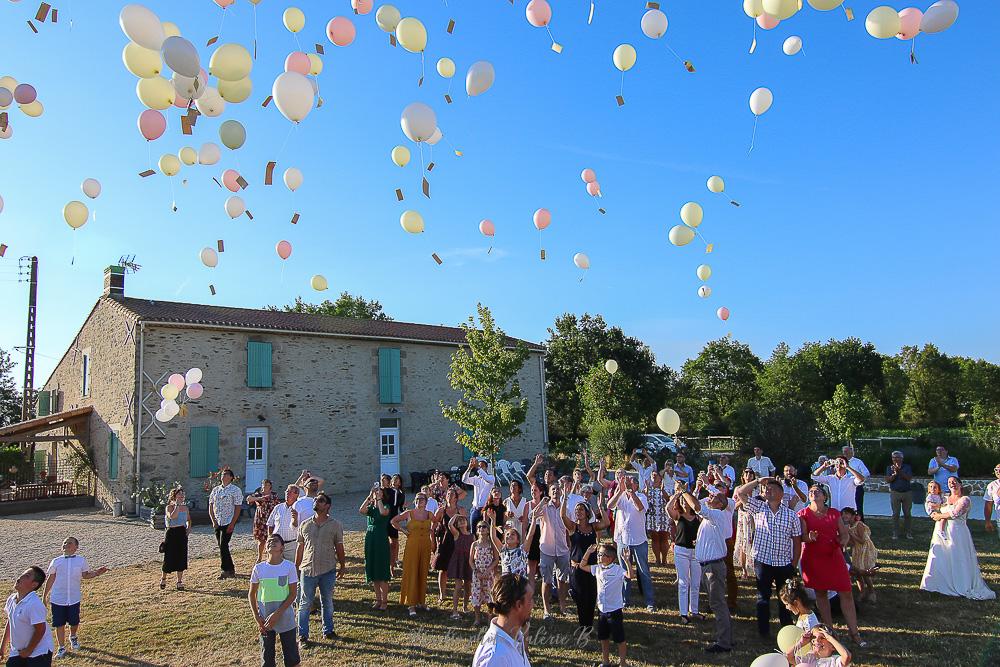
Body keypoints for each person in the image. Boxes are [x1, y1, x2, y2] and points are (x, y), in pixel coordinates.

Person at [734, 475, 801, 638]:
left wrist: (794, 563)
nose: (767, 491)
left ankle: (786, 630)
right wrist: (758, 481)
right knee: (762, 597)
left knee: (785, 598)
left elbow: (797, 540)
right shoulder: (758, 507)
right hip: (763, 561)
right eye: (766, 489)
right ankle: (763, 631)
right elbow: (740, 493)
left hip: (784, 563)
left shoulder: (791, 515)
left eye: (771, 488)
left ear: (781, 493)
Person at [797, 485, 863, 645]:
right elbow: (802, 536)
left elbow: (844, 534)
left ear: (825, 497)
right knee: (821, 594)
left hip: (834, 556)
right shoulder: (803, 514)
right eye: (811, 491)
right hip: (813, 558)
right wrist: (809, 537)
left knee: (846, 591)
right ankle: (830, 633)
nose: (813, 493)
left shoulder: (834, 513)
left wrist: (843, 541)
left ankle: (854, 632)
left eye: (817, 491)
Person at [920, 476, 996, 600]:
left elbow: (955, 513)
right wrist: (933, 514)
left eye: (954, 482)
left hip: (957, 533)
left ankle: (961, 583)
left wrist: (940, 516)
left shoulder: (965, 499)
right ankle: (937, 583)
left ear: (960, 485)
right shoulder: (944, 498)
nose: (952, 484)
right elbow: (931, 505)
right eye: (949, 482)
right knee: (941, 556)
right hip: (940, 532)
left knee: (958, 557)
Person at [686, 483, 735, 654]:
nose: (710, 497)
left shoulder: (716, 515)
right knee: (718, 603)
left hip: (713, 568)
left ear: (721, 504)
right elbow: (697, 504)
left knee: (718, 604)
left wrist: (684, 491)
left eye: (714, 497)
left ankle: (724, 642)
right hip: (709, 566)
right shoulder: (711, 517)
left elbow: (696, 506)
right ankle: (727, 637)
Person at [42, 537, 107, 658]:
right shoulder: (56, 561)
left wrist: (97, 573)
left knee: (74, 621)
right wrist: (44, 596)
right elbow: (50, 579)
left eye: (69, 543)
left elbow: (86, 575)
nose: (66, 544)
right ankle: (61, 647)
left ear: (76, 547)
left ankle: (73, 637)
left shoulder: (81, 560)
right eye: (64, 542)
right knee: (59, 623)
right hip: (58, 598)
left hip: (74, 597)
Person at [295, 492, 346, 645]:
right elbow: (300, 547)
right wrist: (296, 567)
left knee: (327, 601)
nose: (316, 502)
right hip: (307, 569)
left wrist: (342, 565)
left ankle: (328, 630)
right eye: (316, 500)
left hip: (328, 569)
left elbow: (339, 546)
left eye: (321, 501)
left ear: (328, 506)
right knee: (304, 603)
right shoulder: (305, 524)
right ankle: (302, 635)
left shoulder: (335, 525)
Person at [577, 542, 632, 667]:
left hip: (615, 611)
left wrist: (627, 561)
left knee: (619, 638)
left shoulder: (617, 569)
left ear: (610, 558)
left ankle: (622, 662)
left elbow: (629, 575)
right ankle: (605, 661)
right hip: (602, 610)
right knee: (603, 637)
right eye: (599, 554)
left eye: (602, 555)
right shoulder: (597, 568)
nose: (599, 556)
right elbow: (582, 566)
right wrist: (588, 552)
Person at [249, 535, 300, 667]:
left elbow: (293, 594)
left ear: (282, 547)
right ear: (265, 547)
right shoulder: (259, 568)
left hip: (286, 618)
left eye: (276, 541)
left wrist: (278, 613)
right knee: (267, 658)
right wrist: (256, 616)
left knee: (292, 658)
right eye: (269, 541)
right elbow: (251, 594)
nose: (271, 542)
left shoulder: (289, 567)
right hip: (265, 620)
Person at [608, 471, 654, 612]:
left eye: (630, 482)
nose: (628, 484)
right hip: (624, 540)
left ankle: (650, 602)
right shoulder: (621, 497)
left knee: (643, 571)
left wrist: (630, 492)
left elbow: (640, 507)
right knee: (624, 571)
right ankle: (624, 600)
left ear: (636, 485)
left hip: (639, 540)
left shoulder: (641, 496)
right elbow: (610, 505)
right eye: (627, 482)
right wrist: (620, 491)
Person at [565, 498, 609, 631]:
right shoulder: (573, 527)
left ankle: (588, 626)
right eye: (577, 510)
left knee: (591, 597)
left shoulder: (593, 526)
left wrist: (601, 507)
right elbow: (562, 516)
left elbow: (606, 522)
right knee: (580, 598)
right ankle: (583, 626)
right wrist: (565, 498)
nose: (578, 511)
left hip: (591, 568)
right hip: (577, 567)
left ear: (587, 513)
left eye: (581, 509)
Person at [472, 574, 533, 667]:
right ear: (519, 605)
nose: (534, 604)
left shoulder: (515, 636)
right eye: (531, 599)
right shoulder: (495, 657)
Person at [392, 492, 436, 617]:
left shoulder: (429, 514)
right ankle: (411, 603)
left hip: (425, 544)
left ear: (426, 502)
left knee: (423, 571)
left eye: (421, 499)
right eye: (417, 499)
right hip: (412, 545)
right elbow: (393, 521)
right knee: (412, 572)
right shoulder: (409, 513)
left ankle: (421, 601)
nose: (419, 501)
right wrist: (404, 530)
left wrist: (432, 531)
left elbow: (436, 522)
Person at [1, 567, 54, 667]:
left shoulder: (34, 604)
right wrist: (2, 647)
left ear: (34, 584)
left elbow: (40, 630)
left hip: (39, 651)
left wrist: (29, 650)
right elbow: (10, 622)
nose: (20, 577)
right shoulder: (11, 599)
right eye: (23, 574)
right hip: (18, 651)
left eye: (27, 576)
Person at [532, 483, 570, 618]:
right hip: (546, 549)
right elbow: (533, 515)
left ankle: (562, 606)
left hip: (563, 549)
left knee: (563, 580)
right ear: (549, 492)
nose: (556, 491)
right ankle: (546, 609)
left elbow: (569, 528)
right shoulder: (545, 507)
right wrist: (542, 501)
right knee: (546, 581)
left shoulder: (566, 508)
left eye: (558, 489)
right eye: (553, 489)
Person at [666, 480, 702, 623]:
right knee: (683, 582)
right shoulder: (678, 516)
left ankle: (694, 610)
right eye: (683, 500)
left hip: (696, 552)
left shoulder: (698, 516)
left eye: (687, 500)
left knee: (696, 583)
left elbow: (698, 505)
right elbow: (668, 507)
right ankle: (683, 613)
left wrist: (690, 493)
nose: (685, 502)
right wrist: (677, 493)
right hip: (681, 551)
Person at [433, 487, 468, 604]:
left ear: (456, 497)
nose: (450, 495)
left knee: (460, 568)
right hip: (445, 542)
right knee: (443, 570)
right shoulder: (440, 511)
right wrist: (433, 541)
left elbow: (465, 527)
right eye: (448, 494)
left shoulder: (461, 510)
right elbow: (433, 527)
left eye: (452, 494)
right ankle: (442, 594)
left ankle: (460, 593)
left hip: (458, 542)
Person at [360, 486, 391, 611]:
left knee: (381, 570)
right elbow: (361, 510)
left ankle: (384, 601)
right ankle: (378, 599)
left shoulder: (386, 507)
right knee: (373, 569)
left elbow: (383, 512)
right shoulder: (371, 508)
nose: (376, 494)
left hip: (380, 539)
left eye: (379, 493)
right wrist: (369, 497)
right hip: (370, 539)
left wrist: (378, 498)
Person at [208, 468, 243, 579]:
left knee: (223, 545)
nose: (224, 476)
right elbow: (211, 505)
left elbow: (238, 507)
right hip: (218, 521)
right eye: (223, 474)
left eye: (226, 474)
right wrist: (213, 521)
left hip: (228, 521)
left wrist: (233, 523)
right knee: (222, 546)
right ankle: (231, 568)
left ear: (231, 477)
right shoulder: (216, 490)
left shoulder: (235, 490)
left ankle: (225, 570)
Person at [840, 507, 877, 602]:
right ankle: (862, 592)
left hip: (865, 550)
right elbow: (852, 543)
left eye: (847, 514)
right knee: (857, 572)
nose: (844, 516)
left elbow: (863, 540)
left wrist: (851, 534)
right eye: (843, 514)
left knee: (864, 571)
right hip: (857, 550)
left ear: (853, 515)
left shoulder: (858, 525)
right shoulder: (848, 527)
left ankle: (872, 592)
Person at [160, 487, 191, 590]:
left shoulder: (185, 508)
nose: (182, 496)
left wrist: (188, 530)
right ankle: (163, 579)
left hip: (181, 533)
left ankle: (179, 581)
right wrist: (177, 505)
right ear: (174, 496)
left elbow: (189, 520)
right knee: (169, 557)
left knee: (181, 557)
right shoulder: (169, 507)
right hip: (171, 533)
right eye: (179, 494)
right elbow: (173, 517)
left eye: (183, 494)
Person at [488, 511, 535, 578]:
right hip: (506, 583)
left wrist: (534, 520)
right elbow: (493, 537)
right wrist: (493, 520)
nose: (509, 536)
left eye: (513, 534)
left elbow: (530, 535)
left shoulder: (522, 550)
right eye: (507, 534)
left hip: (520, 583)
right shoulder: (503, 550)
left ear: (518, 540)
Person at [469, 521, 498, 626]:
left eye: (484, 526)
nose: (482, 528)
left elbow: (496, 559)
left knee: (489, 595)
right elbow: (471, 560)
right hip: (477, 574)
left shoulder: (491, 544)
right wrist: (476, 571)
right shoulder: (475, 544)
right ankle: (477, 618)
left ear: (488, 529)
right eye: (479, 527)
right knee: (477, 594)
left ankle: (489, 618)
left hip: (489, 574)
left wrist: (488, 570)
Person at [785, 625, 853, 667]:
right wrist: (801, 642)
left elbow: (846, 656)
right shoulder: (809, 658)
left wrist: (830, 638)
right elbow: (788, 656)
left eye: (822, 638)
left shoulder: (835, 660)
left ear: (833, 646)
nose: (817, 640)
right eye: (814, 637)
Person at [448, 514, 474, 620]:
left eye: (464, 520)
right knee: (458, 587)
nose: (462, 522)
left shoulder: (472, 536)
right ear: (457, 525)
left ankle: (465, 606)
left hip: (468, 561)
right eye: (460, 521)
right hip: (459, 561)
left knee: (468, 586)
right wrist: (456, 515)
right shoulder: (457, 534)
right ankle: (454, 610)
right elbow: (450, 524)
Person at [733, 469, 758, 579]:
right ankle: (744, 571)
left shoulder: (758, 489)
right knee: (743, 543)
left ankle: (757, 569)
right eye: (746, 473)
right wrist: (744, 498)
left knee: (756, 543)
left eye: (750, 473)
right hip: (743, 519)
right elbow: (733, 506)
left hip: (757, 518)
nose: (748, 475)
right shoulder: (738, 489)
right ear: (742, 476)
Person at [247, 479, 280, 563]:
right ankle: (259, 557)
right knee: (261, 540)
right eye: (264, 485)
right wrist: (260, 498)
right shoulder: (258, 494)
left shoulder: (274, 495)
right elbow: (249, 499)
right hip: (261, 518)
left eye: (267, 485)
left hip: (271, 518)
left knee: (271, 537)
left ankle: (270, 556)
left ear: (270, 486)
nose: (265, 487)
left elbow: (278, 505)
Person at [267, 485, 302, 562]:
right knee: (275, 566)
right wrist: (269, 538)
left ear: (297, 494)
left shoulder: (300, 508)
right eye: (286, 491)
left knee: (292, 567)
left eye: (290, 492)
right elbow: (270, 524)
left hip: (292, 545)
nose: (287, 493)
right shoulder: (278, 507)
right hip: (276, 544)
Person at [884, 451, 914, 540]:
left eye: (897, 457)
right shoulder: (889, 468)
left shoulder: (907, 467)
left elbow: (908, 478)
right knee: (895, 514)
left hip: (907, 493)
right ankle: (895, 532)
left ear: (902, 458)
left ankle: (908, 532)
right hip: (895, 493)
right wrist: (895, 474)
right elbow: (888, 480)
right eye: (893, 457)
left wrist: (899, 471)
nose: (895, 459)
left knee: (907, 514)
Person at [643, 470, 670, 566]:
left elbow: (668, 500)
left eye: (656, 475)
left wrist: (662, 490)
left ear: (660, 478)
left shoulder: (665, 488)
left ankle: (664, 559)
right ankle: (657, 559)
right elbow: (644, 502)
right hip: (652, 516)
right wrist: (646, 491)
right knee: (655, 538)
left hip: (663, 516)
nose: (654, 476)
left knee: (664, 538)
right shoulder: (647, 489)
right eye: (652, 475)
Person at [463, 457, 497, 532]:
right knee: (473, 531)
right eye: (479, 466)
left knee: (487, 531)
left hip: (486, 510)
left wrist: (477, 467)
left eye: (482, 466)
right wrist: (469, 468)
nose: (480, 468)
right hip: (475, 509)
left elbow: (486, 478)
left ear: (486, 468)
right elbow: (464, 480)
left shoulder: (491, 478)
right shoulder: (476, 479)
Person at [381, 474, 404, 572]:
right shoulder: (384, 491)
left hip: (393, 517)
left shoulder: (400, 493)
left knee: (394, 541)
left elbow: (400, 507)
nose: (395, 481)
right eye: (394, 479)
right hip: (385, 518)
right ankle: (385, 562)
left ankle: (393, 563)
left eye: (397, 480)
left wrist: (404, 509)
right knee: (384, 541)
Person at [840, 446, 870, 520]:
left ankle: (860, 525)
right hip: (844, 488)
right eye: (844, 452)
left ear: (851, 452)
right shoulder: (840, 462)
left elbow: (866, 473)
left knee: (858, 507)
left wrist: (856, 478)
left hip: (856, 487)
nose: (845, 453)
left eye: (847, 451)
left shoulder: (858, 462)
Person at [984, 464, 1000, 535]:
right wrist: (988, 521)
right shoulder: (992, 485)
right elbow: (988, 505)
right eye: (996, 469)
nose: (998, 471)